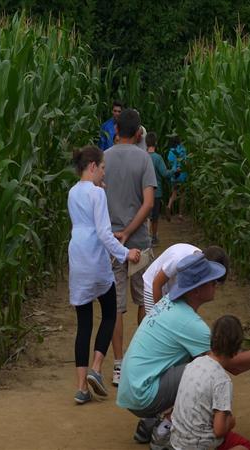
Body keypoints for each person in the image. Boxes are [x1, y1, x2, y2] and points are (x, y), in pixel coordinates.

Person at [116, 252, 250, 447]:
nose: (215, 284)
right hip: (142, 394)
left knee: (197, 362)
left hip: (132, 387)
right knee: (204, 369)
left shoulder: (169, 302)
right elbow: (232, 365)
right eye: (210, 281)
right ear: (196, 291)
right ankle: (165, 428)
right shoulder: (190, 323)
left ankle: (153, 423)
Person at [67, 145, 141, 405]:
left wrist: (98, 191)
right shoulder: (97, 194)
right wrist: (125, 254)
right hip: (95, 259)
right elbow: (104, 233)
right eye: (102, 168)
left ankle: (80, 388)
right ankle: (97, 368)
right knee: (110, 312)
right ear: (92, 167)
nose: (103, 173)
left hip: (77, 257)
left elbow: (85, 220)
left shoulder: (73, 192)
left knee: (84, 322)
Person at [104, 108, 157, 386]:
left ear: (116, 130)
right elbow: (148, 203)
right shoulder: (144, 159)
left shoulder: (104, 159)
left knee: (115, 306)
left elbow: (97, 198)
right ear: (138, 133)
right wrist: (129, 231)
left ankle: (118, 366)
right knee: (144, 302)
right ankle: (141, 359)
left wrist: (115, 233)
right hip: (138, 243)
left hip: (112, 244)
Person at [170, 315, 250, 450]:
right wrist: (230, 422)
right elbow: (219, 430)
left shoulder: (194, 363)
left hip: (178, 442)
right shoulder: (222, 381)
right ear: (237, 348)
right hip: (200, 445)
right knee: (244, 445)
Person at [142, 244, 228, 315]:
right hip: (153, 286)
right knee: (155, 320)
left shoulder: (200, 263)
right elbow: (156, 284)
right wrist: (161, 313)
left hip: (171, 289)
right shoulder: (178, 258)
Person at [146, 132, 176, 246]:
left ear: (146, 143)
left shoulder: (142, 156)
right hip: (156, 192)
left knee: (146, 216)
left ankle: (146, 237)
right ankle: (154, 237)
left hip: (143, 191)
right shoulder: (158, 158)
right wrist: (174, 170)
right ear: (156, 143)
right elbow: (164, 173)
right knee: (154, 217)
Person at [166, 136, 188, 220]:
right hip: (182, 175)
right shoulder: (183, 150)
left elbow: (170, 162)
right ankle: (180, 214)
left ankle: (169, 206)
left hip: (174, 175)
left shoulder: (171, 151)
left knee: (174, 193)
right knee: (182, 194)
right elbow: (185, 161)